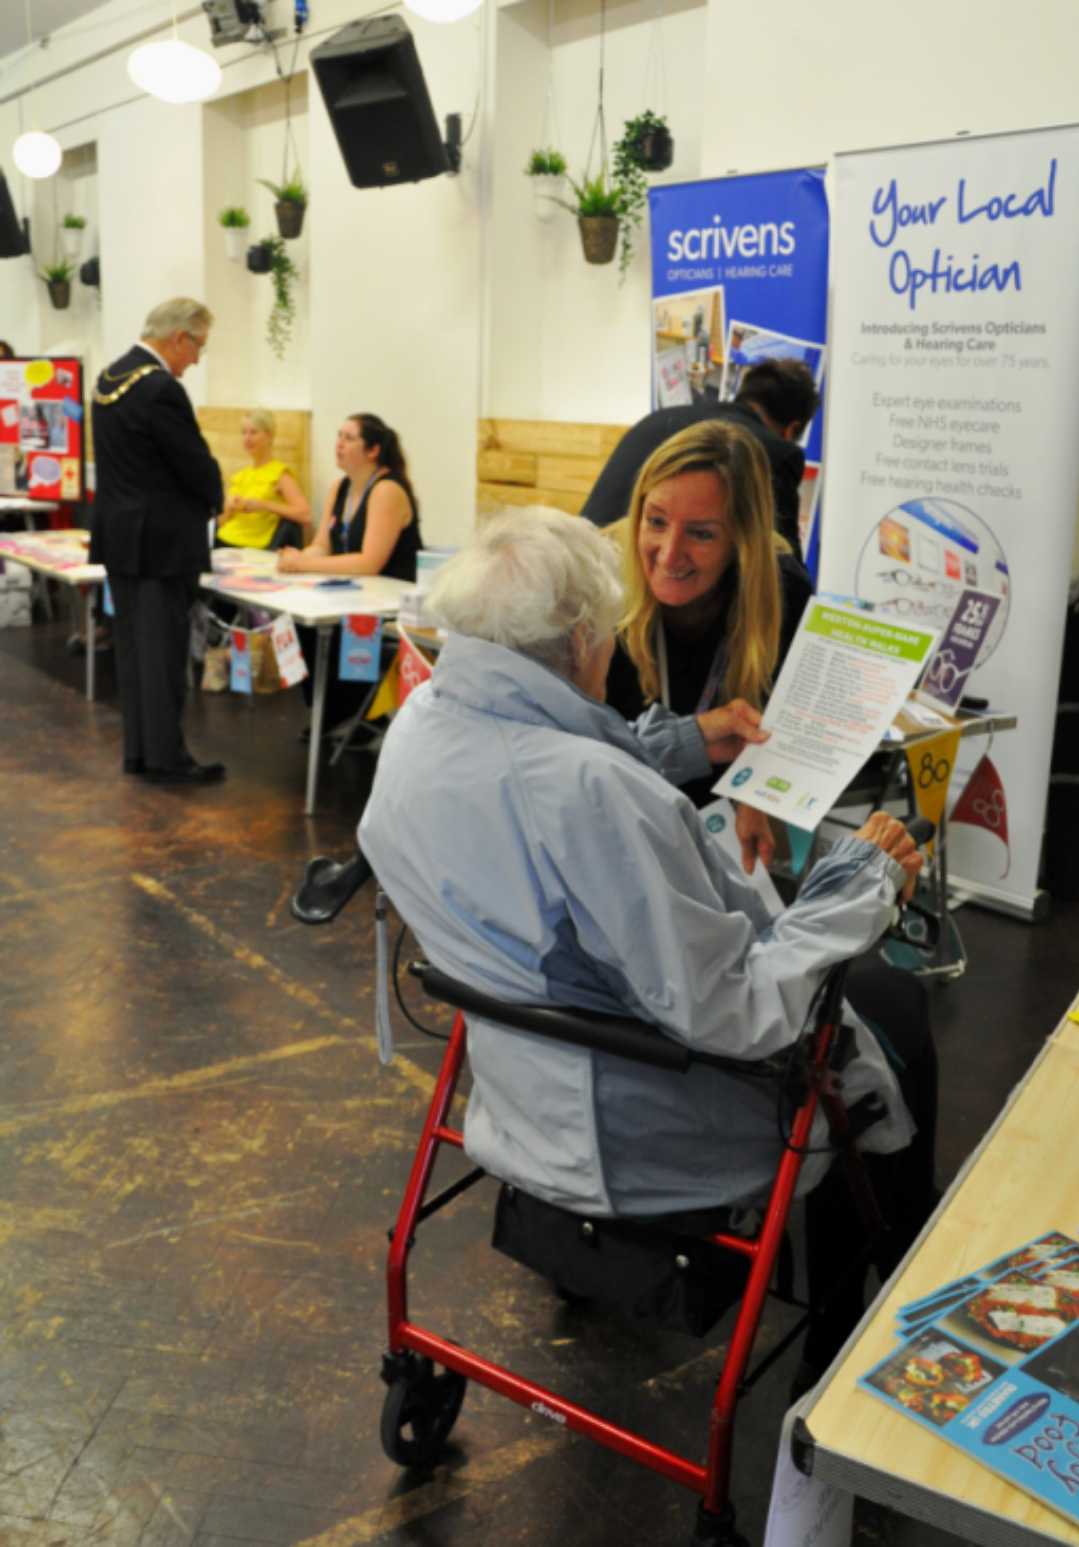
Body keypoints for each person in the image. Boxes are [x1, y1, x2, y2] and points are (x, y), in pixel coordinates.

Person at [360, 509, 938, 1379]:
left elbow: (536, 761)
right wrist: (862, 884)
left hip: (519, 1095)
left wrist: (678, 741)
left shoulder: (420, 728)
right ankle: (873, 1313)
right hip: (646, 1128)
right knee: (892, 1007)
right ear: (587, 637)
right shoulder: (592, 792)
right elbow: (735, 1009)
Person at [605, 418, 813, 867]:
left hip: (718, 825)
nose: (669, 552)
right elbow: (584, 753)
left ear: (741, 539)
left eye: (701, 533)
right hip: (613, 819)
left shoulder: (783, 590)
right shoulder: (601, 584)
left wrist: (757, 789)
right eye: (656, 522)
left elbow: (781, 728)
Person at [89, 297, 225, 783]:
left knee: (133, 653)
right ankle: (168, 760)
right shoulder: (159, 389)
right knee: (164, 655)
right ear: (178, 338)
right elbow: (192, 462)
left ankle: (141, 753)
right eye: (198, 347)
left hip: (121, 539)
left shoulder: (108, 380)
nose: (197, 359)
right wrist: (215, 493)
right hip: (163, 543)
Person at [582, 357, 820, 554]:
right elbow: (785, 572)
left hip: (577, 571)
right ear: (792, 430)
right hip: (634, 590)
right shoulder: (773, 452)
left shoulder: (657, 419)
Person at [279, 413, 422, 732]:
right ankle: (328, 711)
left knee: (338, 630)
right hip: (351, 594)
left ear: (372, 450)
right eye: (338, 436)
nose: (338, 445)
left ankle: (347, 714)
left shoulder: (387, 489)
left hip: (388, 606)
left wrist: (304, 564)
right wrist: (297, 557)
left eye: (348, 438)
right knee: (300, 620)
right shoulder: (340, 487)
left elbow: (368, 562)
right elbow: (322, 546)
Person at [215, 409, 310, 550]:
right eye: (244, 432)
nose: (247, 438)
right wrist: (229, 509)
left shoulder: (280, 474)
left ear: (269, 436)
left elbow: (305, 514)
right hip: (223, 541)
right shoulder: (240, 476)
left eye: (253, 432)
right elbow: (220, 522)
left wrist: (264, 505)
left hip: (253, 547)